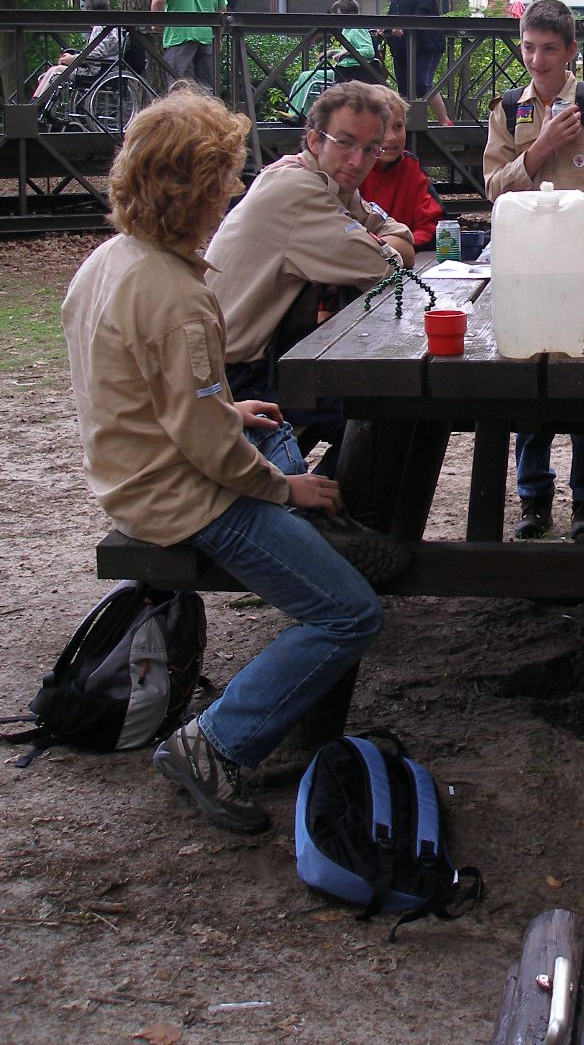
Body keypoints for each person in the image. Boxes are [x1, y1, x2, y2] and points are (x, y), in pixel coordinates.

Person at [61, 89, 407, 835]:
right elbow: (210, 451)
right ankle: (212, 744)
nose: (231, 191)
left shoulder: (109, 260)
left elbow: (157, 398)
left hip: (137, 465)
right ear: (193, 192)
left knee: (270, 419)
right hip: (180, 496)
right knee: (350, 613)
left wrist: (228, 409)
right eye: (222, 178)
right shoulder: (177, 296)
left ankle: (321, 536)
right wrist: (283, 490)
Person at [484, 0, 584, 543]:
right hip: (526, 261)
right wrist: (541, 147)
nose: (537, 60)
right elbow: (493, 187)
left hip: (580, 261)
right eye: (528, 48)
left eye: (549, 49)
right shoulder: (509, 109)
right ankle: (534, 497)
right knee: (529, 371)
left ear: (570, 50)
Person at [206, 81, 415, 467]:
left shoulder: (330, 182)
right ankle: (328, 502)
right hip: (237, 375)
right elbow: (385, 267)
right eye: (345, 142)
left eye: (370, 149)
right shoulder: (297, 188)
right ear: (315, 139)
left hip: (272, 358)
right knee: (392, 408)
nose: (358, 161)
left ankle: (333, 497)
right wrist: (383, 247)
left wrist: (380, 244)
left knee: (398, 402)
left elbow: (400, 235)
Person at [358, 85, 444, 250]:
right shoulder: (351, 170)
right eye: (382, 128)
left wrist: (403, 244)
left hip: (407, 256)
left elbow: (432, 225)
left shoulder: (410, 166)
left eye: (398, 126)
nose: (392, 137)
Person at [387, 0, 452, 128]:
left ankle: (444, 121)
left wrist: (405, 28)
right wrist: (387, 27)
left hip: (426, 43)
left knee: (422, 83)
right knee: (403, 86)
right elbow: (393, 11)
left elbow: (422, 10)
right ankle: (402, 125)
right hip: (402, 45)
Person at [328, 0, 382, 85]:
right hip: (344, 70)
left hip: (354, 72)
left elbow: (369, 52)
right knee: (307, 75)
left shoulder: (357, 29)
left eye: (339, 15)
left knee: (307, 76)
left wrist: (346, 52)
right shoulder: (346, 30)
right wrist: (332, 53)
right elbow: (349, 50)